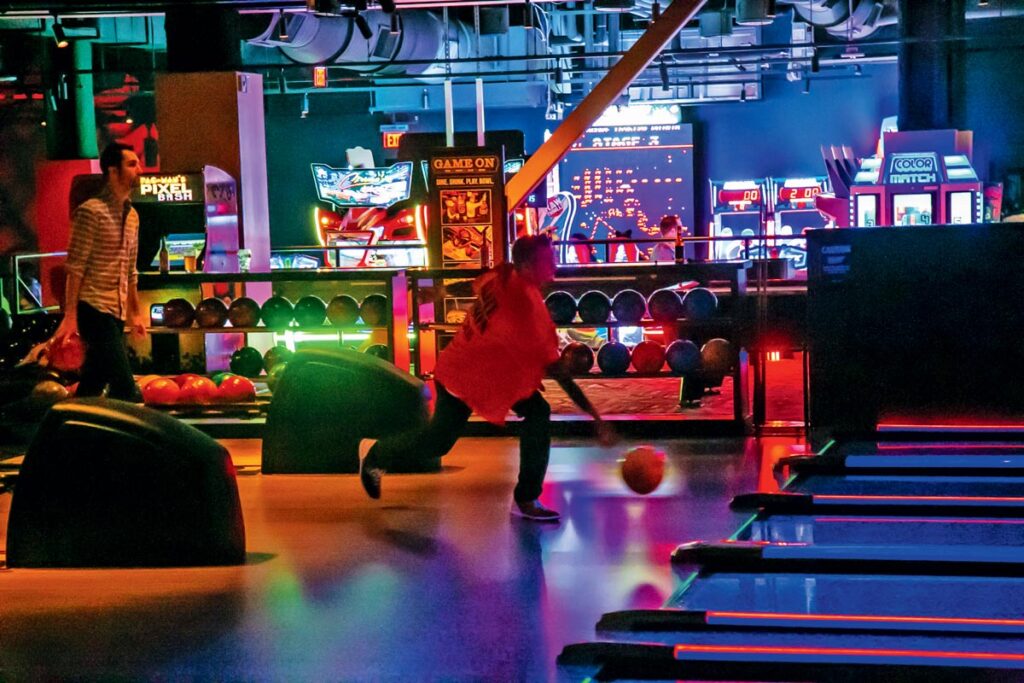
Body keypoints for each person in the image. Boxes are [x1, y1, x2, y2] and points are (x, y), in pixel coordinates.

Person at [360, 233, 615, 521]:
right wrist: (597, 418)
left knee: (533, 412)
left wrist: (442, 293)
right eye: (548, 259)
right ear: (530, 266)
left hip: (481, 371)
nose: (555, 263)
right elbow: (560, 374)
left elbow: (473, 284)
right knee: (438, 442)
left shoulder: (505, 274)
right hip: (464, 376)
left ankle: (526, 498)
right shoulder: (528, 312)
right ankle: (377, 455)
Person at [51, 142, 147, 401]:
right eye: (131, 164)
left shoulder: (133, 216)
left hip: (115, 310)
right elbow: (75, 268)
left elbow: (130, 270)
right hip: (93, 308)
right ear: (112, 171)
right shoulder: (90, 212)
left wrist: (134, 313)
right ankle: (137, 437)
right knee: (126, 388)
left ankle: (69, 435)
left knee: (94, 381)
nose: (139, 169)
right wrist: (70, 316)